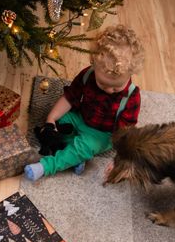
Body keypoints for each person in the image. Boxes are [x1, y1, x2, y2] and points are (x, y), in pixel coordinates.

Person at [24, 24, 145, 181]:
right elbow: (69, 97)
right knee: (56, 126)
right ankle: (74, 156)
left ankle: (47, 166)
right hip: (80, 117)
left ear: (130, 74)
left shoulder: (131, 97)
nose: (108, 90)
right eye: (102, 84)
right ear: (94, 66)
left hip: (103, 134)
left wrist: (120, 160)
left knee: (85, 146)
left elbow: (125, 134)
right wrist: (51, 119)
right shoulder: (87, 74)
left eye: (116, 87)